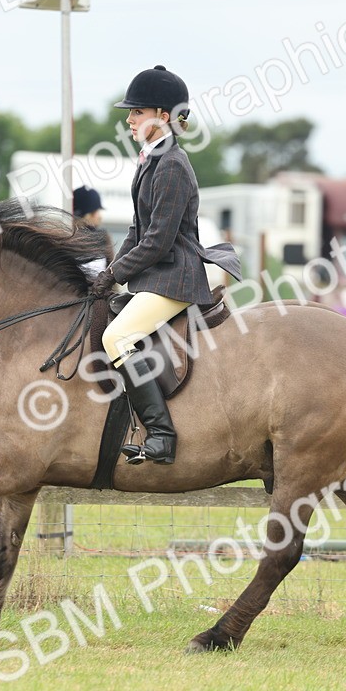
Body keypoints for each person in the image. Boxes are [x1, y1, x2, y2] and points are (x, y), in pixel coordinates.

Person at [88, 65, 240, 466]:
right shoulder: (150, 160)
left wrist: (114, 275)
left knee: (116, 338)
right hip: (156, 274)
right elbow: (136, 232)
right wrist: (107, 270)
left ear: (163, 116)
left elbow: (157, 241)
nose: (129, 119)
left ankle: (161, 433)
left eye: (137, 112)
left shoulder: (172, 165)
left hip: (175, 277)